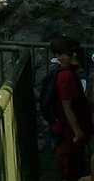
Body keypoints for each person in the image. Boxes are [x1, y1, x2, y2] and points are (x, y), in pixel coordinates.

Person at [49, 35, 93, 181]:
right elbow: (68, 107)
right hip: (70, 135)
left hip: (71, 133)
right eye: (69, 53)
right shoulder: (66, 77)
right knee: (71, 171)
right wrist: (78, 132)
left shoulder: (67, 74)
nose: (74, 55)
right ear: (59, 56)